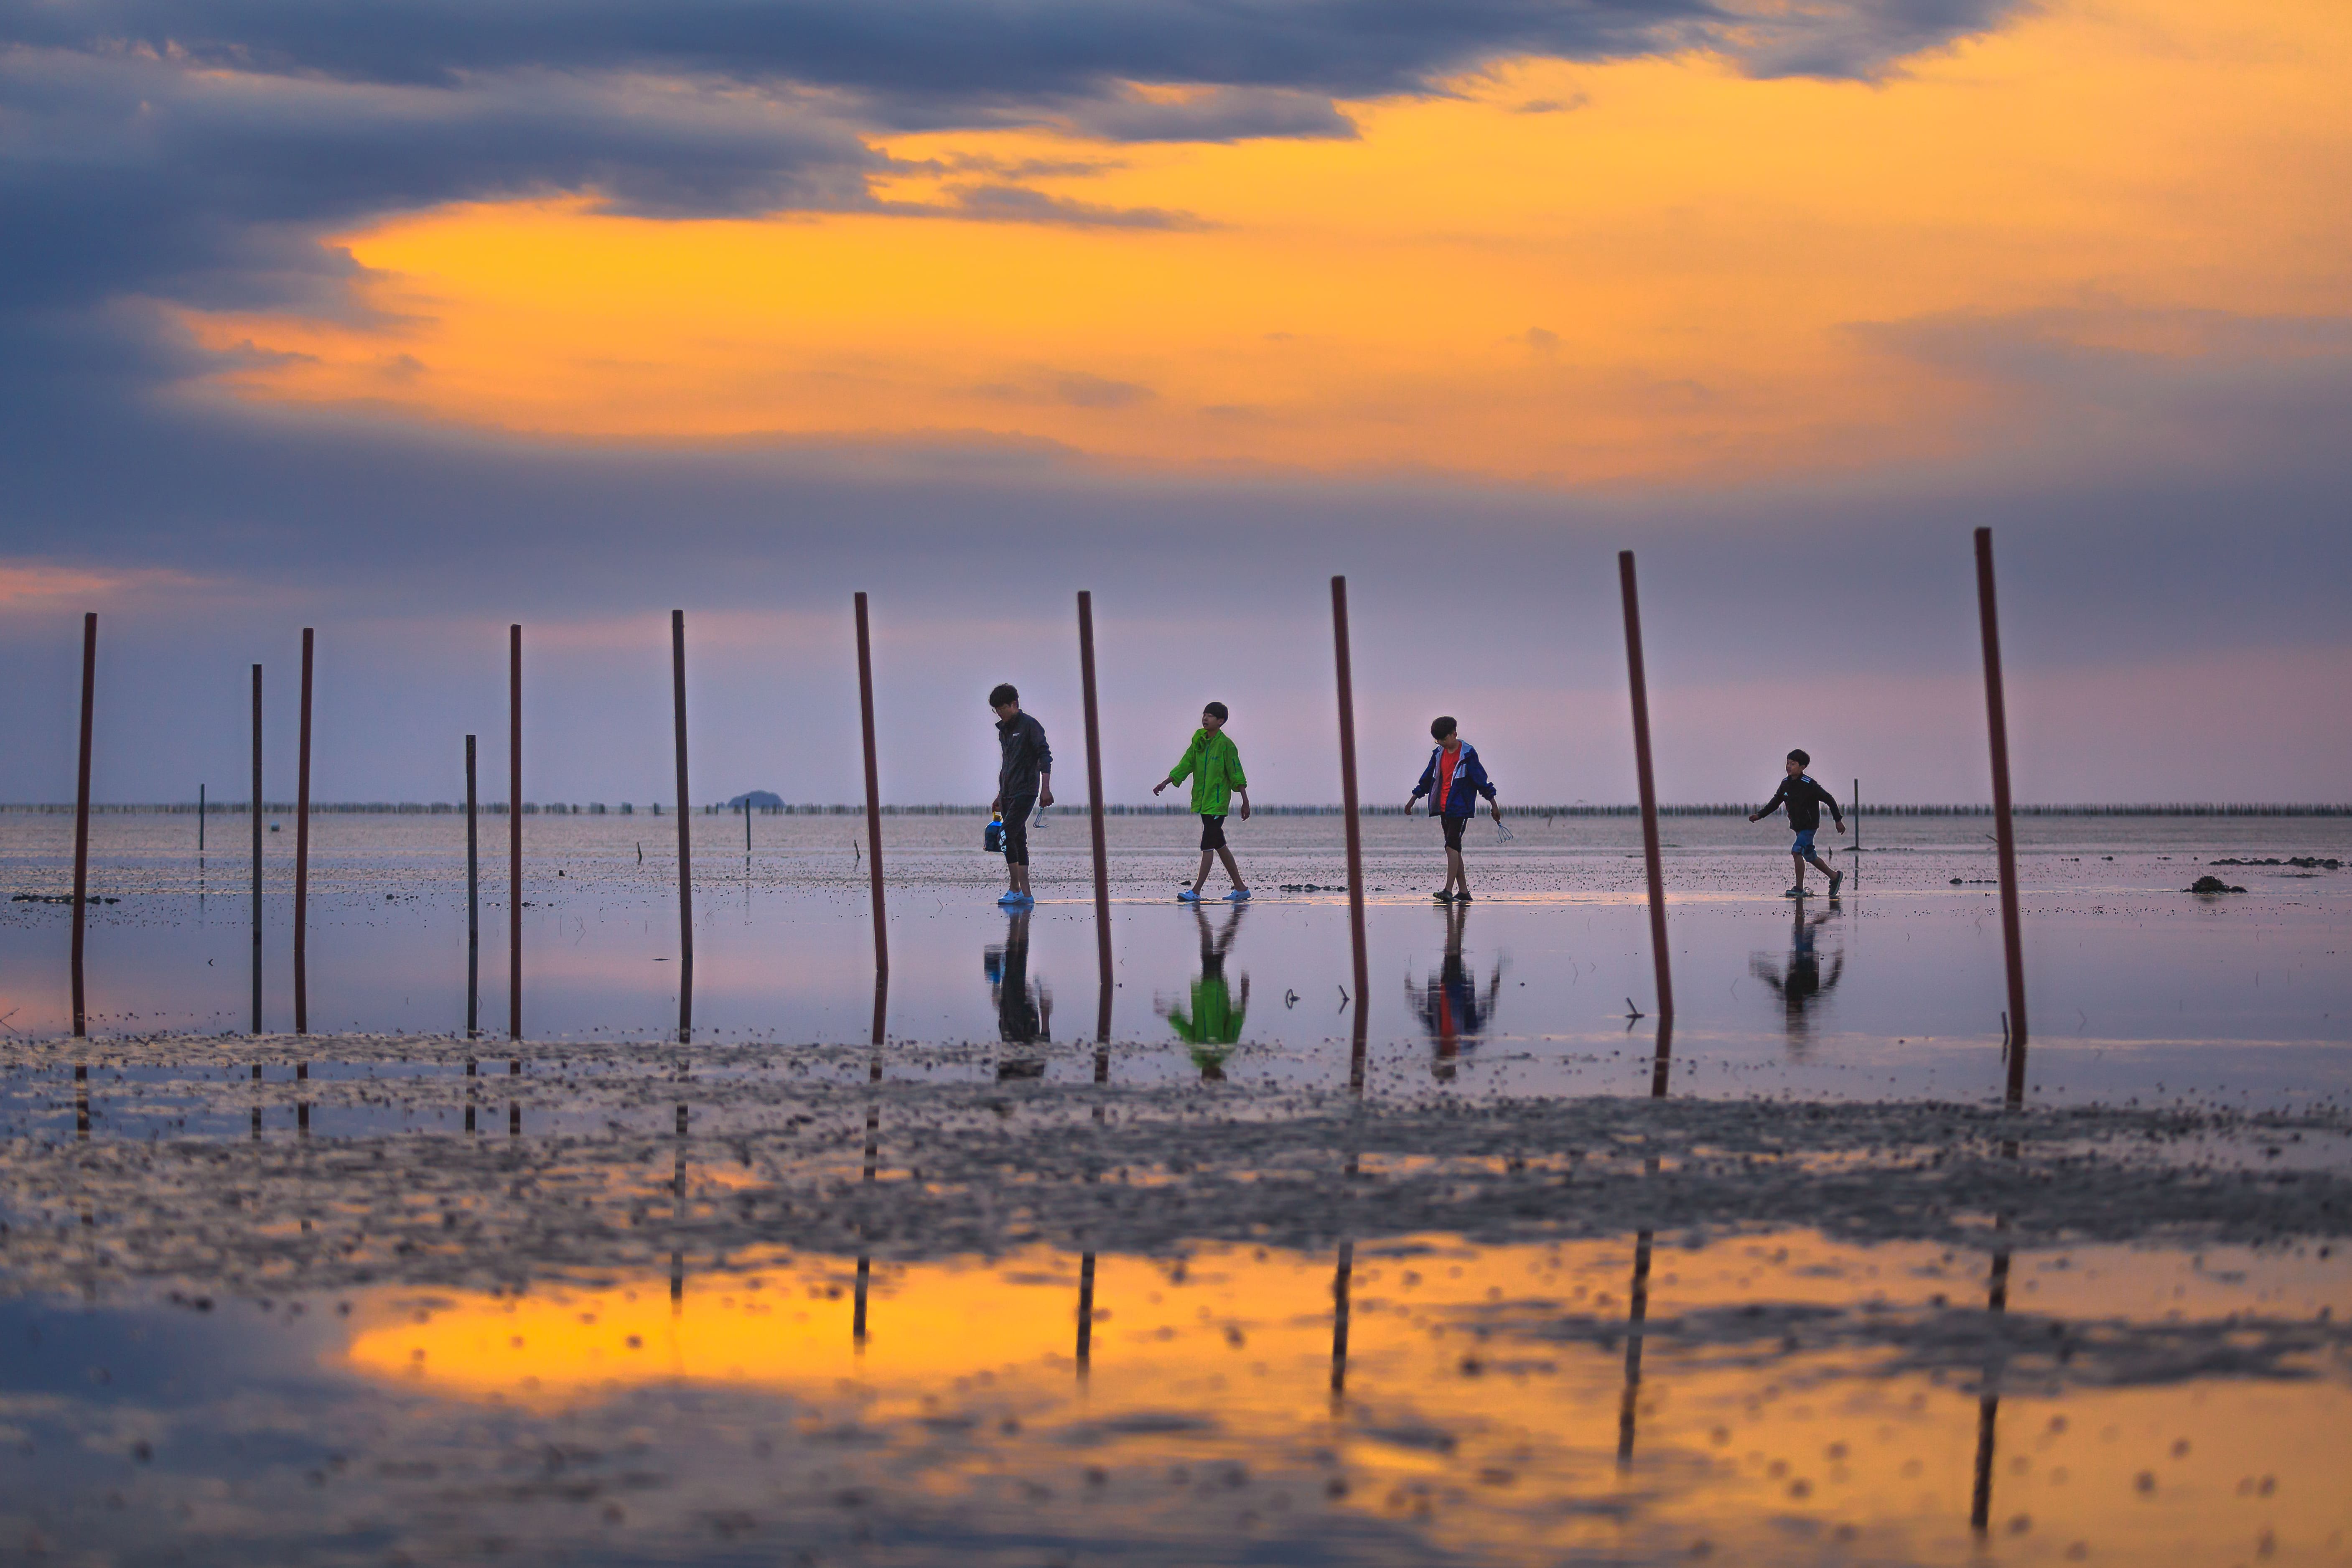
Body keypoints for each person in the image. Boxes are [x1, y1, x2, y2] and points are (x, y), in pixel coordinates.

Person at [1153, 700, 1251, 902]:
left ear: (1221, 721)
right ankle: (1241, 889)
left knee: (1207, 846)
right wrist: (1166, 782)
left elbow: (1236, 774)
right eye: (1204, 715)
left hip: (1217, 804)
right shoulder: (1199, 742)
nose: (1205, 719)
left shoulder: (1226, 745)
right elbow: (1185, 764)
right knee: (1220, 846)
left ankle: (1196, 891)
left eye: (1210, 716)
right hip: (1203, 803)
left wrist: (1245, 801)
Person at [1407, 716, 1501, 902]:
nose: (1441, 743)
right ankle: (1464, 892)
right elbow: (1427, 779)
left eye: (1444, 739)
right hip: (1443, 807)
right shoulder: (1438, 754)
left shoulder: (1467, 755)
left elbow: (1481, 781)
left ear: (1454, 734)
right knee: (1455, 849)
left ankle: (1448, 890)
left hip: (1461, 808)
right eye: (1438, 741)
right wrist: (1413, 799)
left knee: (1451, 845)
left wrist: (1494, 804)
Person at [1161, 900, 1250, 1080]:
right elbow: (1235, 1023)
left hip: (1205, 990)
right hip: (1215, 989)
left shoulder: (1199, 1052)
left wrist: (1170, 1015)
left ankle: (1218, 916)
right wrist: (1244, 994)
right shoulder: (1223, 1050)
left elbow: (1185, 1030)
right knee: (1213, 950)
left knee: (1215, 951)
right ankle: (1214, 915)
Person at [987, 682, 1052, 906]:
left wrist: (1046, 788)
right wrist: (999, 794)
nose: (999, 713)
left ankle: (1014, 889)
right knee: (1018, 839)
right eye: (996, 710)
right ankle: (1026, 894)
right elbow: (1008, 764)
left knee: (1005, 836)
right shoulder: (1004, 731)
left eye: (1002, 708)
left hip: (1026, 790)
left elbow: (1045, 756)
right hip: (1008, 792)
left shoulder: (1030, 726)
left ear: (1014, 704)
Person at [1749, 748, 1844, 897]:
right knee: (1810, 856)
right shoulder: (1786, 784)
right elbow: (1776, 802)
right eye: (1787, 763)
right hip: (1798, 827)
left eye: (1793, 764)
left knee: (1796, 850)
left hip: (1809, 826)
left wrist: (1838, 820)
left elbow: (1829, 799)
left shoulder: (1809, 784)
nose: (1789, 766)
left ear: (1803, 767)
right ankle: (1835, 876)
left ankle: (1799, 888)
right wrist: (1760, 815)